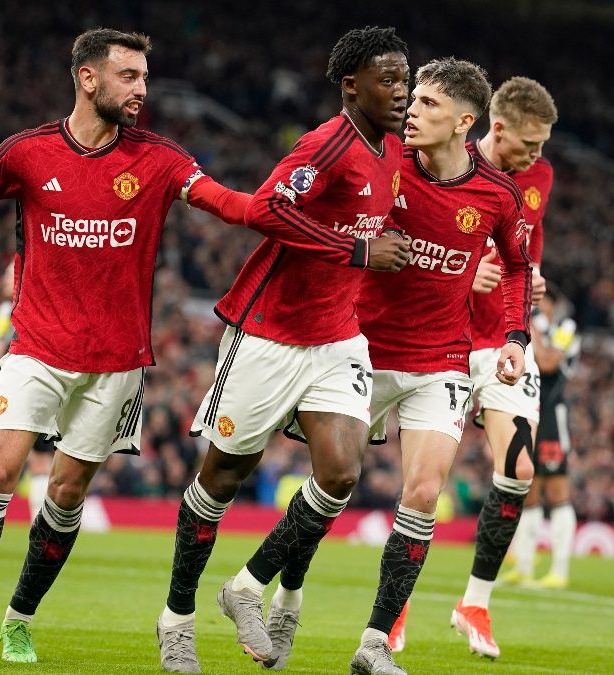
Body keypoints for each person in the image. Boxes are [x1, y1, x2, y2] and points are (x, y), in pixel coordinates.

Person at [0, 28, 250, 664]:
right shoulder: (28, 153)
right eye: (129, 76)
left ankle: (19, 619)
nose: (142, 90)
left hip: (116, 365)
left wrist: (310, 214)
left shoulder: (159, 158)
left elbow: (232, 206)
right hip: (36, 349)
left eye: (144, 77)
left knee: (65, 495)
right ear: (88, 79)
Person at [156, 26, 412, 674]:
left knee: (342, 473)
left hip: (337, 337)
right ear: (351, 85)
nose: (401, 92)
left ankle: (248, 586)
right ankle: (176, 619)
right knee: (222, 478)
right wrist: (357, 249)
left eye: (405, 80)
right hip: (267, 335)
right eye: (388, 80)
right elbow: (267, 209)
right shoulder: (325, 146)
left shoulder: (393, 151)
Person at [348, 57, 531, 675]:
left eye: (428, 102)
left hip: (451, 352)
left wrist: (516, 335)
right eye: (415, 100)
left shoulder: (505, 192)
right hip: (365, 345)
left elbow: (518, 264)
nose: (412, 111)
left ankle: (396, 625)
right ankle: (274, 593)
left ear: (464, 121)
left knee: (436, 488)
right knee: (331, 482)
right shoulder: (387, 159)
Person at [389, 76, 555, 659]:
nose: (536, 156)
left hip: (506, 341)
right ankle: (395, 606)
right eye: (529, 144)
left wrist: (530, 278)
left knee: (521, 469)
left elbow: (525, 247)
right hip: (448, 339)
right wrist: (468, 274)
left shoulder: (539, 178)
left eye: (543, 145)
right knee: (422, 484)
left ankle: (475, 603)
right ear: (497, 128)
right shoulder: (443, 164)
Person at [505, 288, 581, 588]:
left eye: (539, 301)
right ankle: (524, 567)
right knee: (528, 491)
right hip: (525, 412)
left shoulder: (565, 329)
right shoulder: (531, 328)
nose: (534, 305)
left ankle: (559, 570)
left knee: (557, 491)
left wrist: (530, 330)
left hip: (550, 416)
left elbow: (549, 363)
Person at [0, 261, 53, 519]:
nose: (5, 281)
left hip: (17, 390)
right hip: (47, 388)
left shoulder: (7, 309)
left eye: (9, 275)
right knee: (41, 461)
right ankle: (39, 525)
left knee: (7, 462)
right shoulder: (45, 305)